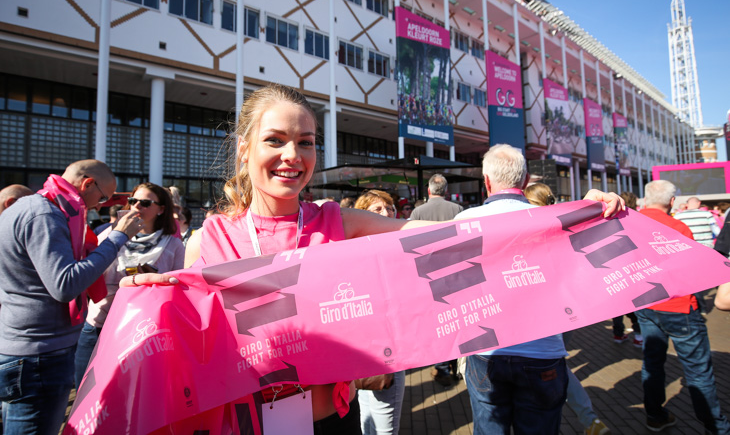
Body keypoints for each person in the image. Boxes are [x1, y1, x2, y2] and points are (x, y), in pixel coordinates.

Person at [121, 84, 624, 432]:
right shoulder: (212, 236)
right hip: (247, 422)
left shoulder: (335, 221)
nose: (292, 155)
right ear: (245, 149)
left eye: (306, 142)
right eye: (275, 141)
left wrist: (574, 213)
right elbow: (190, 331)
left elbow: (455, 231)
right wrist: (151, 299)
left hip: (333, 423)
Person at [0, 160, 143, 435]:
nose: (100, 205)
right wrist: (118, 237)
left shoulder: (25, 209)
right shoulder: (45, 214)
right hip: (40, 355)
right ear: (87, 183)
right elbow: (65, 284)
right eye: (102, 197)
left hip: (22, 347)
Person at [455, 144, 570, 435]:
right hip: (542, 350)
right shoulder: (554, 220)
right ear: (526, 178)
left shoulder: (463, 222)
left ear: (487, 182)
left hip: (486, 350)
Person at [636, 180, 730, 434]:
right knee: (698, 372)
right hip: (678, 306)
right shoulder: (678, 228)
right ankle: (717, 427)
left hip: (645, 303)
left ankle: (654, 415)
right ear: (671, 201)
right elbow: (690, 269)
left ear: (645, 199)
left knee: (652, 362)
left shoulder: (629, 224)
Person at [74, 183, 185, 388]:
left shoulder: (173, 244)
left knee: (132, 394)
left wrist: (155, 279)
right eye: (133, 201)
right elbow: (89, 273)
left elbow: (178, 288)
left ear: (161, 209)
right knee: (86, 391)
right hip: (100, 323)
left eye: (145, 203)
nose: (137, 207)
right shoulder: (110, 236)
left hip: (143, 330)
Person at [527, 182, 611, 435]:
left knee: (547, 367)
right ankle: (588, 419)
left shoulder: (531, 234)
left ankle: (583, 418)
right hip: (569, 309)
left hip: (544, 313)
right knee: (555, 365)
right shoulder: (562, 229)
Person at [353, 190, 405, 435]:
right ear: (362, 215)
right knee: (382, 424)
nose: (387, 213)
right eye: (377, 209)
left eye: (390, 208)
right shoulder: (362, 254)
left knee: (371, 417)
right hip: (382, 350)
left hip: (373, 349)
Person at [409, 174, 463, 387]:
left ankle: (441, 367)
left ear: (429, 191)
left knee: (439, 324)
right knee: (457, 321)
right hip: (455, 274)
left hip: (429, 276)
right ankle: (456, 365)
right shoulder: (458, 210)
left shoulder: (418, 212)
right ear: (446, 191)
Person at [611, 192, 643, 347]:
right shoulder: (635, 218)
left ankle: (618, 334)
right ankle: (639, 336)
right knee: (636, 306)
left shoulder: (609, 217)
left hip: (614, 268)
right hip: (634, 268)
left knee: (617, 308)